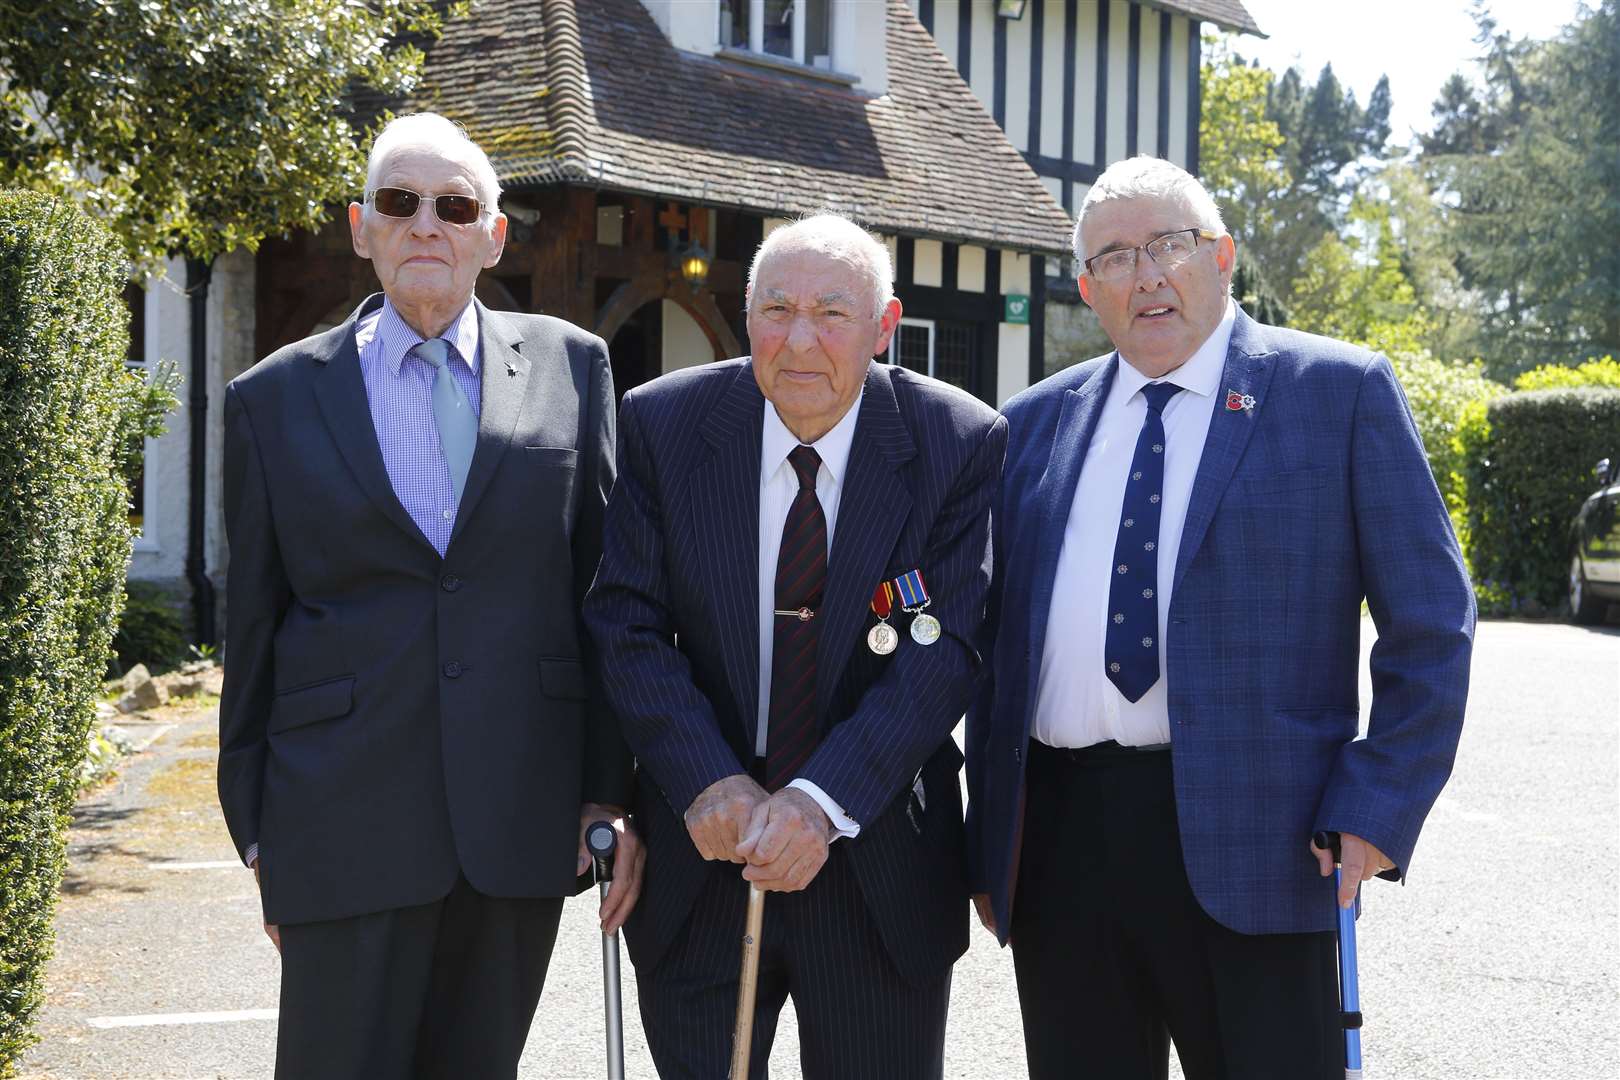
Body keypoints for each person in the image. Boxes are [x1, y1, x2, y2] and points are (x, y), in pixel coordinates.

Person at [966, 156, 1475, 1079]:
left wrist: (1378, 801)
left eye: (1171, 245)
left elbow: (1432, 620)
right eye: (1115, 257)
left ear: (1223, 256)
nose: (1147, 274)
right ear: (1087, 289)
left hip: (1266, 841)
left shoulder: (1337, 393)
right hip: (1062, 844)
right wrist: (990, 836)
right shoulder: (1034, 423)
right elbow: (992, 642)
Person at [217, 112, 641, 1080]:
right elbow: (254, 624)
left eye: (454, 206)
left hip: (517, 827)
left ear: (493, 236)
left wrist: (606, 790)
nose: (426, 225)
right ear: (360, 225)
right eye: (399, 202)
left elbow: (601, 597)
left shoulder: (576, 370)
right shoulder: (271, 400)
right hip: (339, 827)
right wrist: (255, 831)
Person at [584, 213, 1005, 1079]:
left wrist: (818, 804)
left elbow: (948, 648)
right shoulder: (665, 426)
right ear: (748, 321)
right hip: (703, 850)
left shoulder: (957, 443)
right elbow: (625, 620)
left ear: (884, 329)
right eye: (776, 309)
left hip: (876, 858)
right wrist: (706, 777)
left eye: (833, 313)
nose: (800, 339)